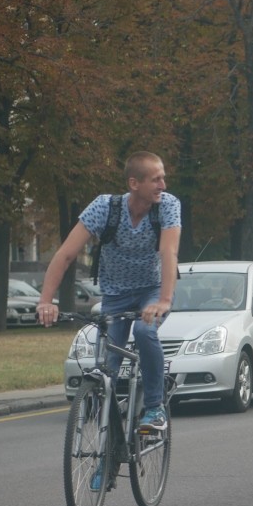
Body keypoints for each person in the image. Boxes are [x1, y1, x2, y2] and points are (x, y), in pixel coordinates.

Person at [37, 152, 181, 437]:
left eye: (163, 177)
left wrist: (164, 300)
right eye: (156, 179)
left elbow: (169, 252)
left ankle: (154, 407)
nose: (163, 185)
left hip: (152, 290)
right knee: (106, 371)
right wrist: (45, 300)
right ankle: (109, 451)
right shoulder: (104, 208)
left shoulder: (167, 205)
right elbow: (66, 254)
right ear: (134, 183)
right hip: (115, 294)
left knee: (144, 331)